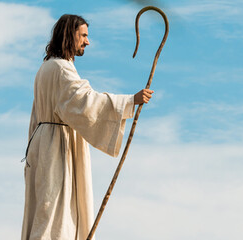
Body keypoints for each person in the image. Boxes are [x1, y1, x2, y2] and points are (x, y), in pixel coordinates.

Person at [20, 14, 153, 240]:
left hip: (41, 145)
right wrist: (130, 101)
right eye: (83, 35)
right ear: (69, 35)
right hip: (56, 147)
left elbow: (38, 115)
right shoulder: (61, 69)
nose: (87, 41)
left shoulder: (45, 68)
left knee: (47, 209)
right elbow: (85, 101)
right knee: (56, 212)